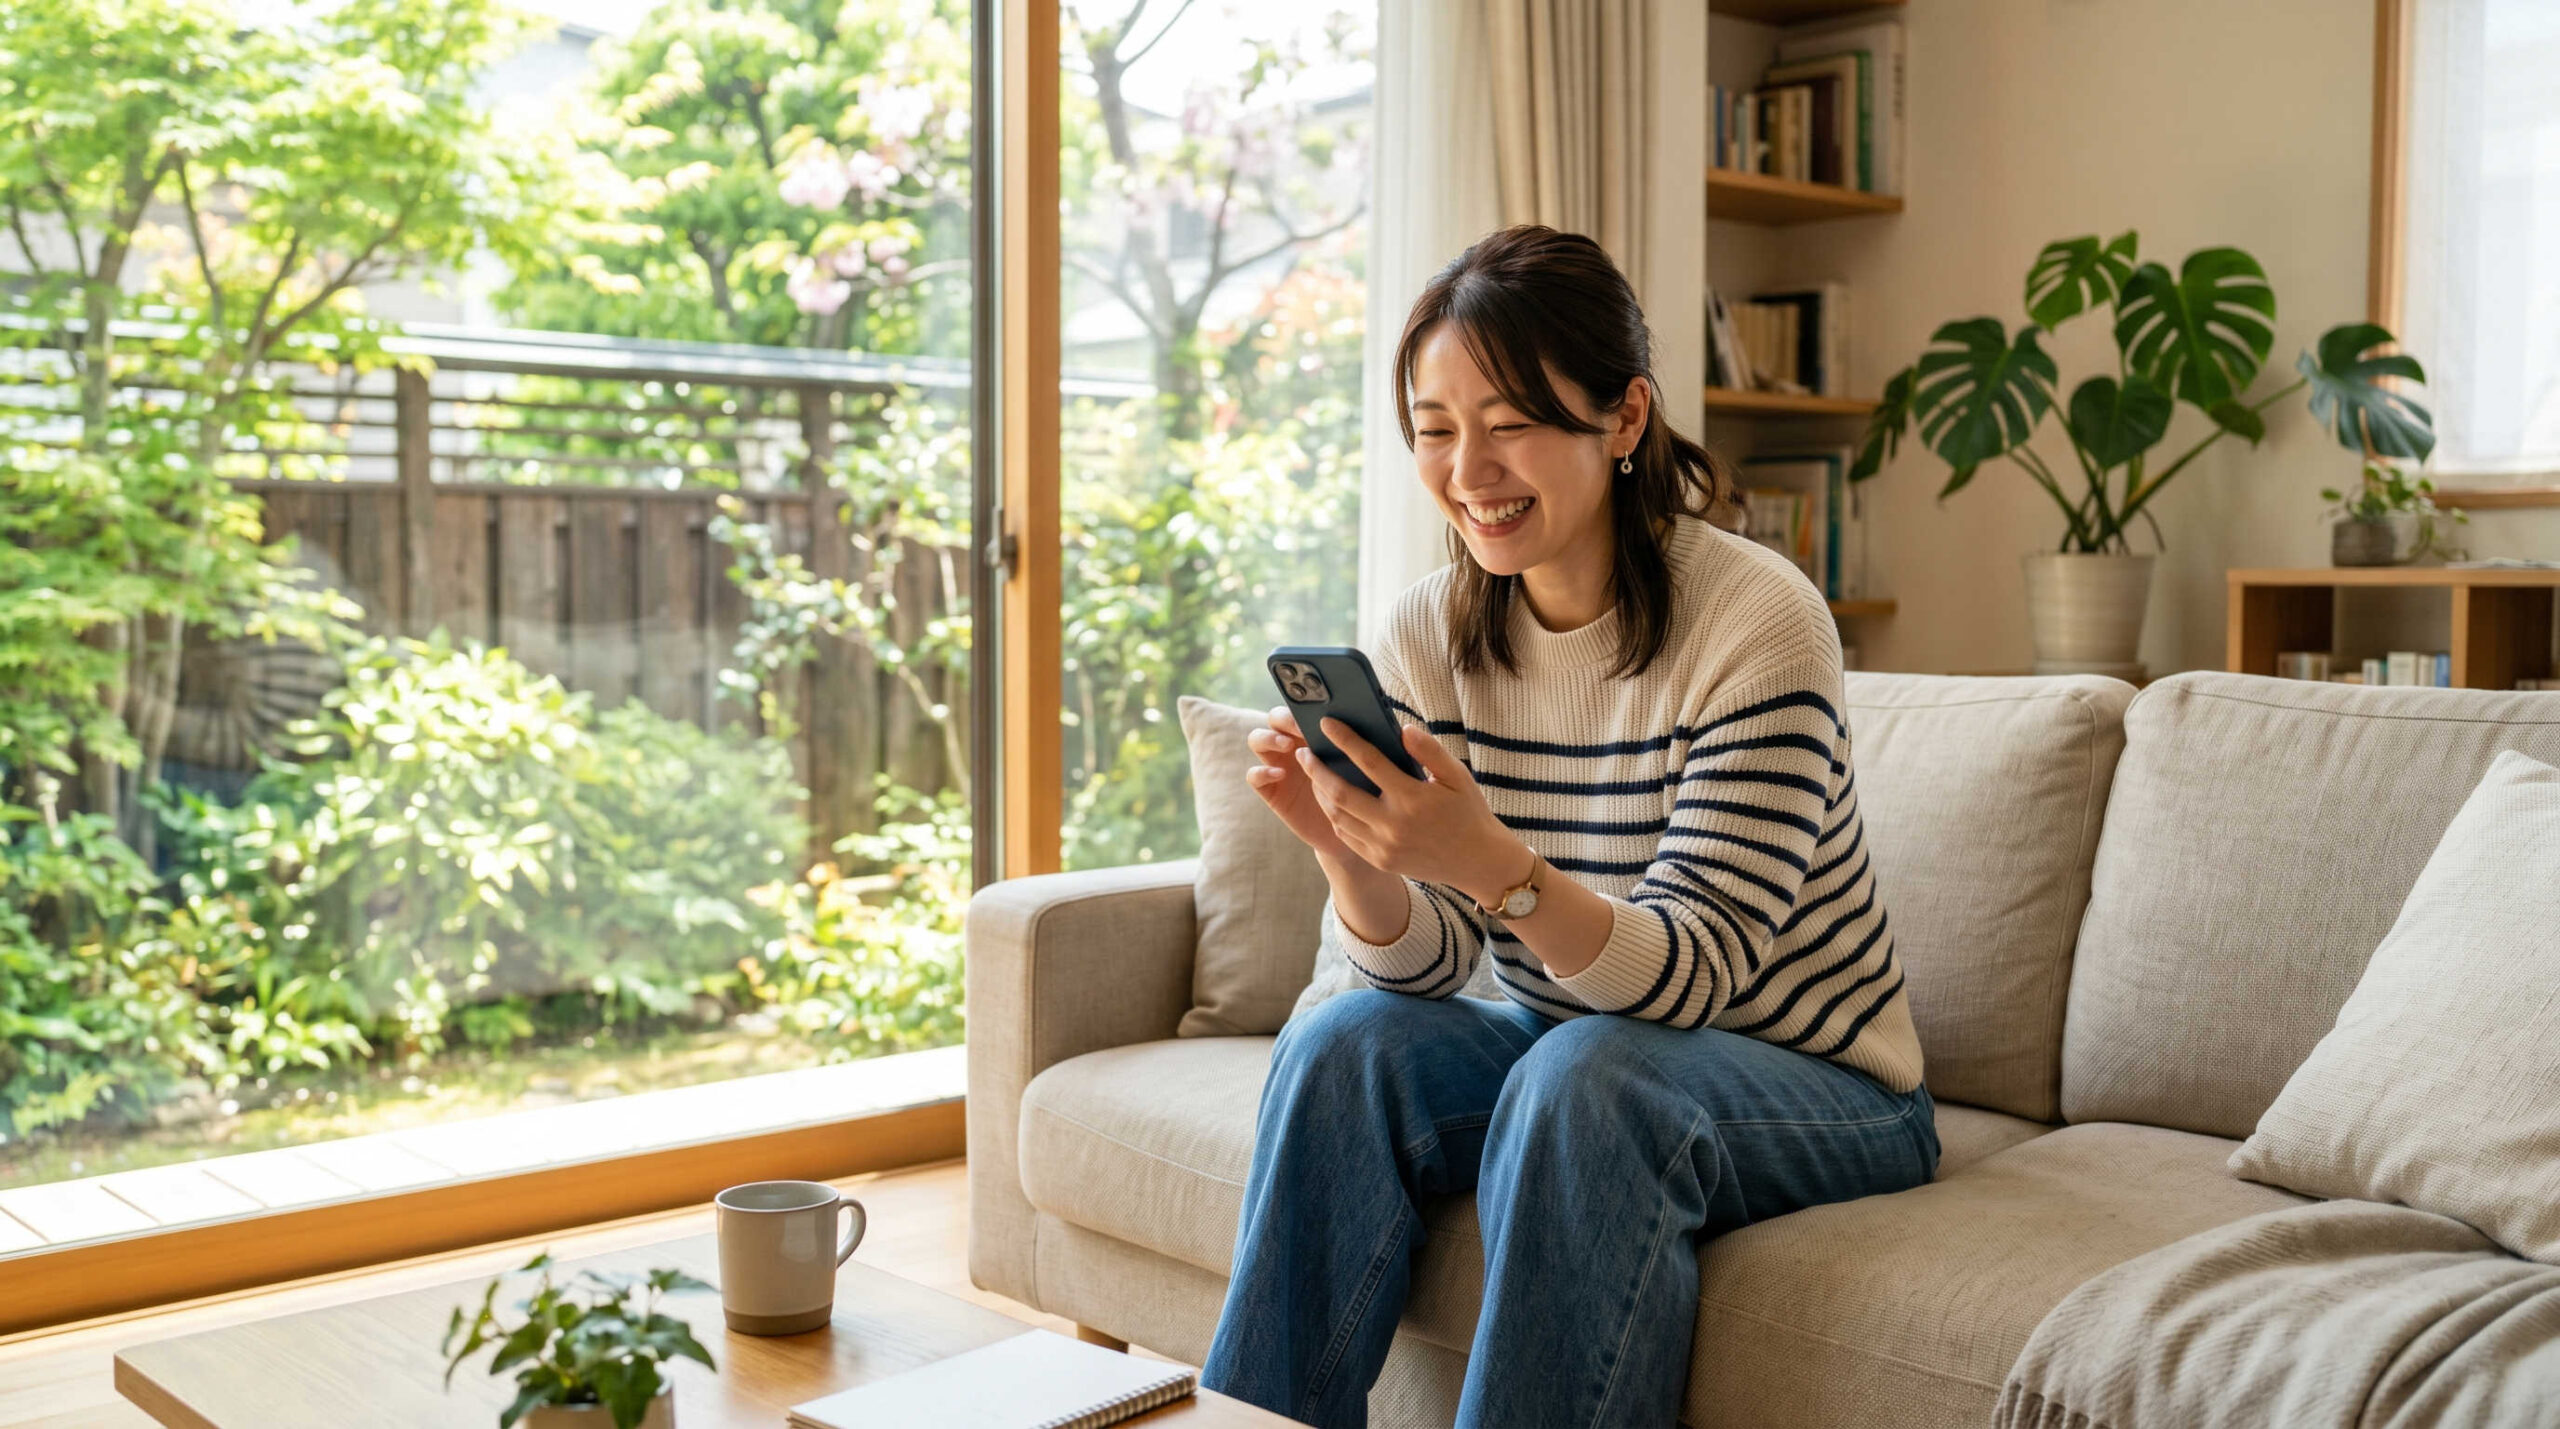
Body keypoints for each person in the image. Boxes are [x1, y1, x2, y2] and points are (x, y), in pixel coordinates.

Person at [1196, 225, 1937, 1429]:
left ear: (1626, 418)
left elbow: (1689, 977)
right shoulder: (1428, 627)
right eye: (1435, 429)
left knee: (1590, 1075)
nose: (1468, 467)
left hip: (1824, 1083)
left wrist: (1483, 857)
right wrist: (1347, 845)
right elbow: (1426, 967)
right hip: (1569, 1052)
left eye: (1512, 420)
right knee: (1349, 1043)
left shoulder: (1759, 621)